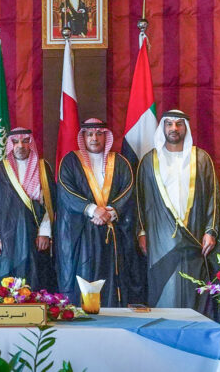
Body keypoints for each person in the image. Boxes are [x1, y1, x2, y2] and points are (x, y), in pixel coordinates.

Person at [136, 110, 220, 311]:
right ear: (163, 127)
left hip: (195, 233)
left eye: (179, 124)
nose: (174, 128)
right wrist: (141, 232)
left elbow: (213, 197)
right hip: (160, 237)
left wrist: (210, 231)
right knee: (165, 287)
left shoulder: (201, 159)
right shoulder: (149, 161)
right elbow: (140, 200)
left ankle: (196, 326)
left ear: (186, 128)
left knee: (194, 286)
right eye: (169, 124)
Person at [56, 119, 137, 306]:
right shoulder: (70, 161)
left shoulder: (120, 162)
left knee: (111, 280)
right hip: (82, 233)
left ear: (106, 137)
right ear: (83, 137)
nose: (94, 138)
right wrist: (92, 210)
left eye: (99, 134)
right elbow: (66, 191)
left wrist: (110, 212)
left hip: (112, 232)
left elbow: (128, 190)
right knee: (85, 276)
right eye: (90, 134)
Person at [0, 128, 57, 291]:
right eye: (16, 142)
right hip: (7, 235)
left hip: (34, 235)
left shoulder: (42, 167)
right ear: (10, 145)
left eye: (25, 141)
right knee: (6, 280)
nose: (20, 145)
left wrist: (45, 232)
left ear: (31, 144)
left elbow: (50, 203)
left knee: (35, 277)